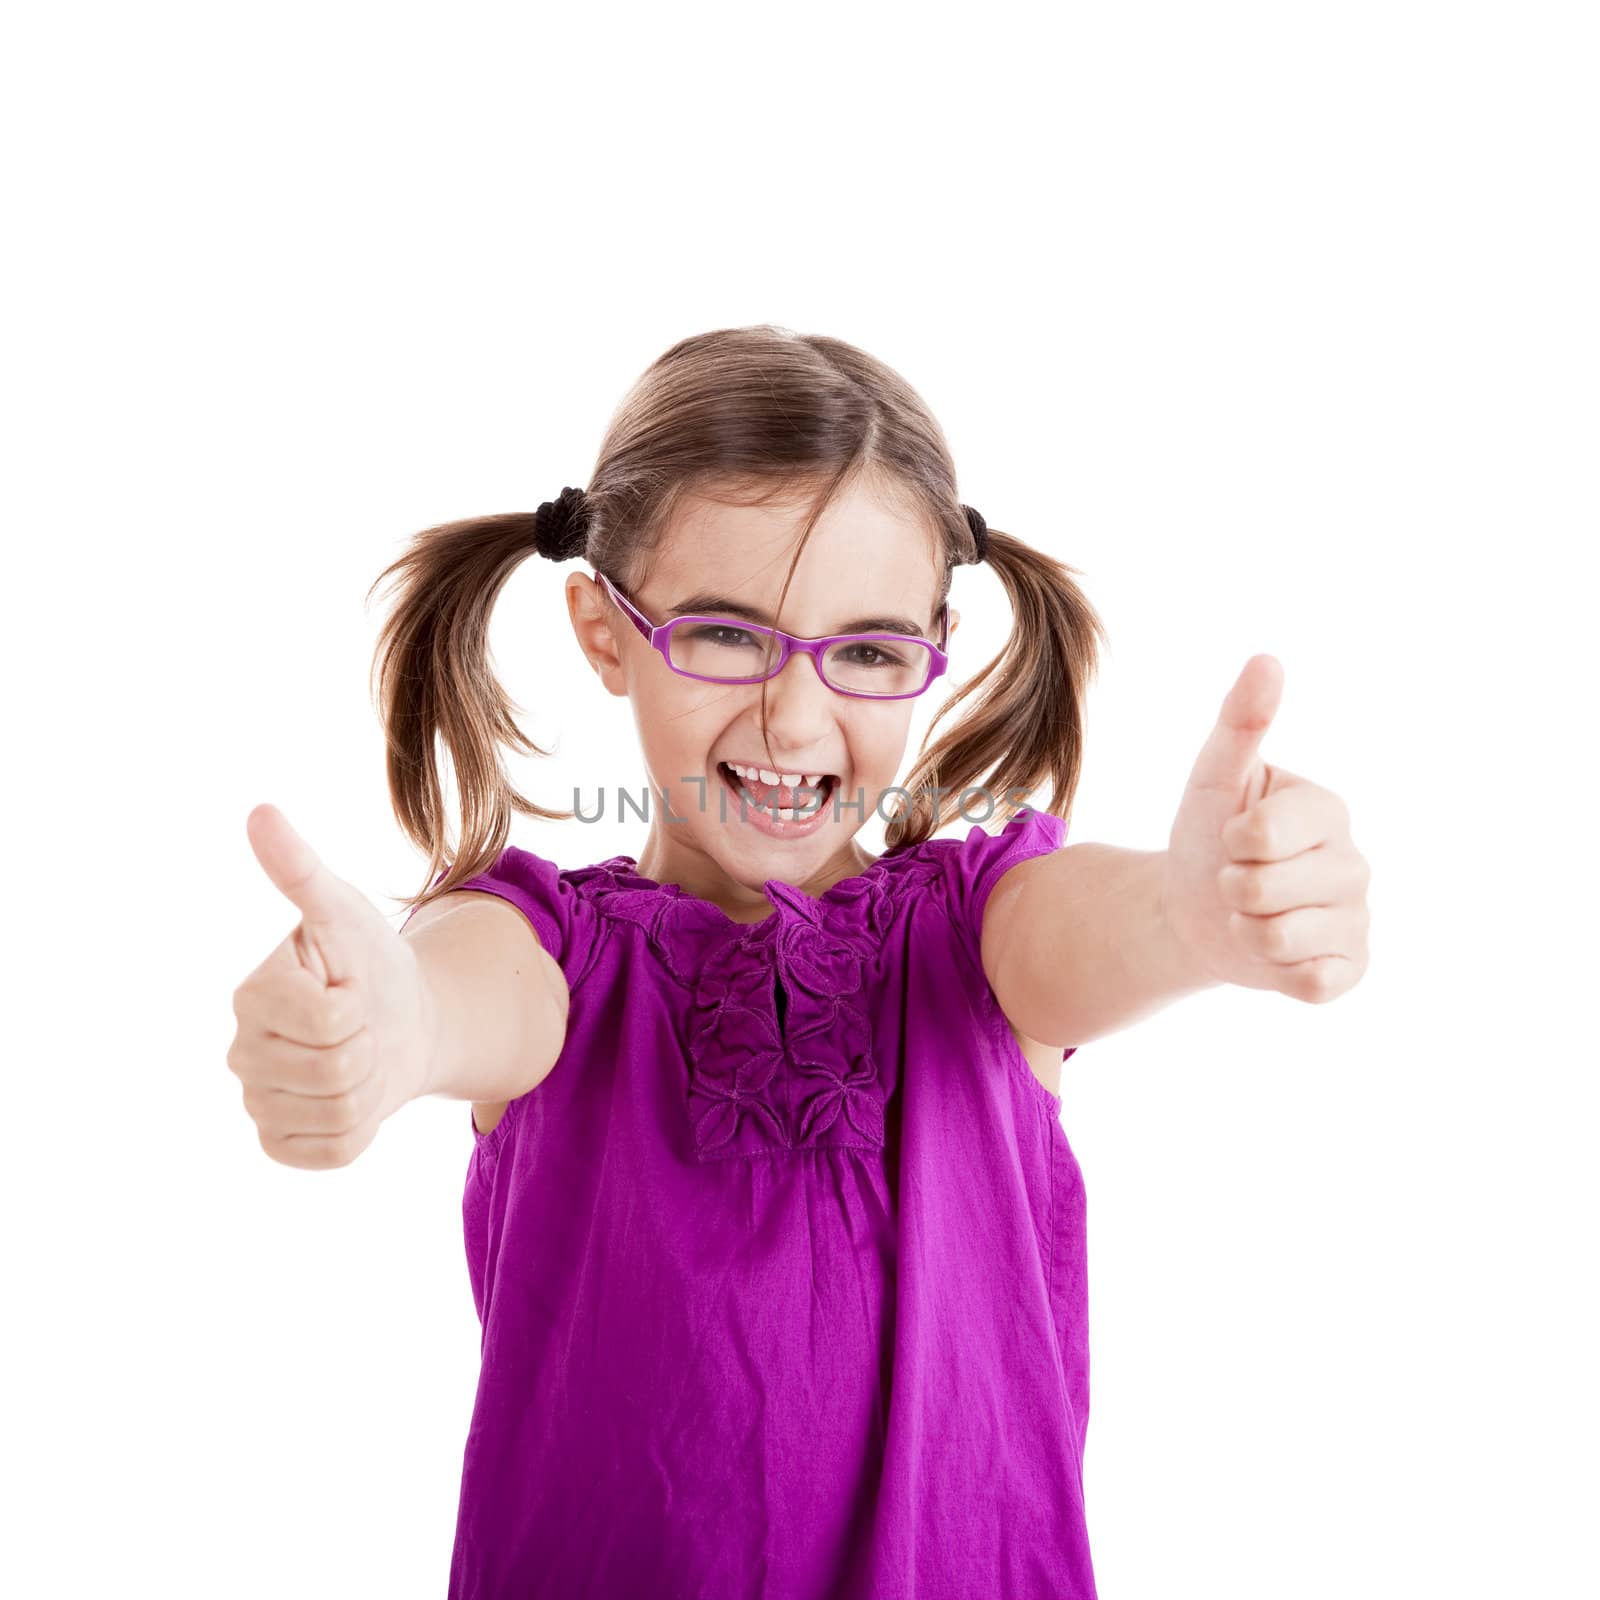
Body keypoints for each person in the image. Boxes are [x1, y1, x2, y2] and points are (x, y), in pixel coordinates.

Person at [229, 324, 1371, 1598]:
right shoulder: (544, 951)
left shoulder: (975, 934)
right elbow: (456, 994)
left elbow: (1091, 930)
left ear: (932, 652)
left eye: (868, 652)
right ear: (604, 632)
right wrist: (381, 1035)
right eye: (725, 634)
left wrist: (1192, 916)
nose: (793, 714)